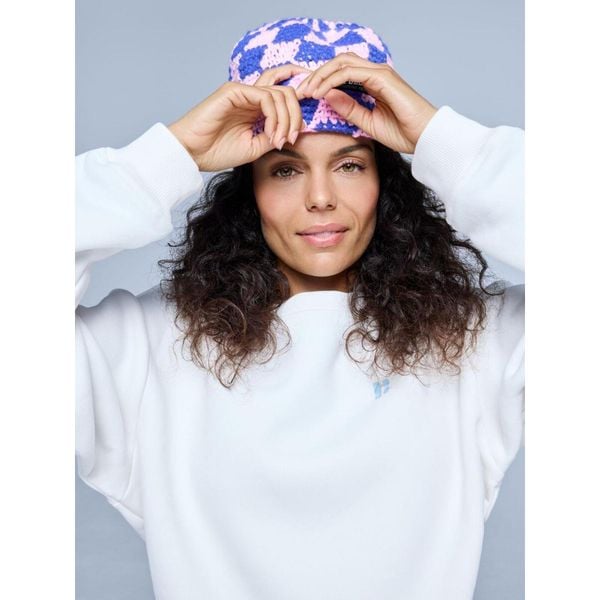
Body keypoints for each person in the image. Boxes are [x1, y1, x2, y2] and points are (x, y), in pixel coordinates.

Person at [76, 17, 524, 600]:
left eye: (350, 164)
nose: (319, 197)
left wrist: (445, 144)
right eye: (285, 169)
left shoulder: (477, 342)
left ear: (386, 182)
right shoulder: (144, 348)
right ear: (249, 188)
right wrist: (171, 154)